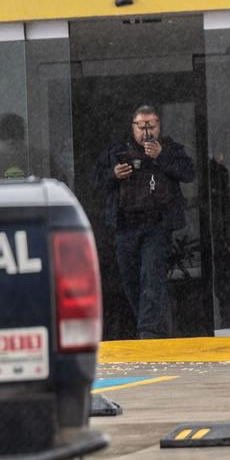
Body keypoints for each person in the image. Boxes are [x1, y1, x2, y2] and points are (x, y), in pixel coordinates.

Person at [95, 105, 195, 339]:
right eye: (141, 126)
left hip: (157, 225)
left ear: (159, 126)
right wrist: (113, 175)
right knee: (130, 280)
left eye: (152, 126)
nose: (147, 132)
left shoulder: (170, 148)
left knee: (151, 276)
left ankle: (148, 331)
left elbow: (189, 173)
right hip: (126, 225)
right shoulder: (118, 150)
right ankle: (151, 327)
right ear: (133, 127)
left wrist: (162, 156)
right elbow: (96, 181)